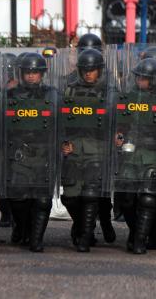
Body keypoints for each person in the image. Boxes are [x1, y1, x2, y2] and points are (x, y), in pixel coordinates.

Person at [60, 48, 112, 252]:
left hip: (97, 150)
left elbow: (118, 123)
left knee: (91, 195)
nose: (89, 73)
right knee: (70, 197)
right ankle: (82, 226)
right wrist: (63, 142)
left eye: (93, 70)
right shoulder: (69, 91)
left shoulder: (109, 92)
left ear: (99, 70)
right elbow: (60, 121)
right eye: (85, 69)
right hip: (73, 150)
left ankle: (85, 236)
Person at [112, 57, 156, 254]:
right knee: (126, 198)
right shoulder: (129, 97)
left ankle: (140, 240)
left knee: (148, 199)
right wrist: (118, 135)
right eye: (138, 77)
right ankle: (136, 233)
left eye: (145, 78)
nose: (139, 81)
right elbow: (120, 122)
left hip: (153, 154)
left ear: (154, 80)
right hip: (131, 152)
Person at [5, 53, 57, 252]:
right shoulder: (11, 95)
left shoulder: (52, 95)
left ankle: (36, 239)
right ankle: (22, 227)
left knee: (42, 199)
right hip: (20, 152)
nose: (31, 76)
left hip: (44, 152)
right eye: (27, 72)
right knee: (18, 197)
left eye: (35, 72)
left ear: (42, 74)